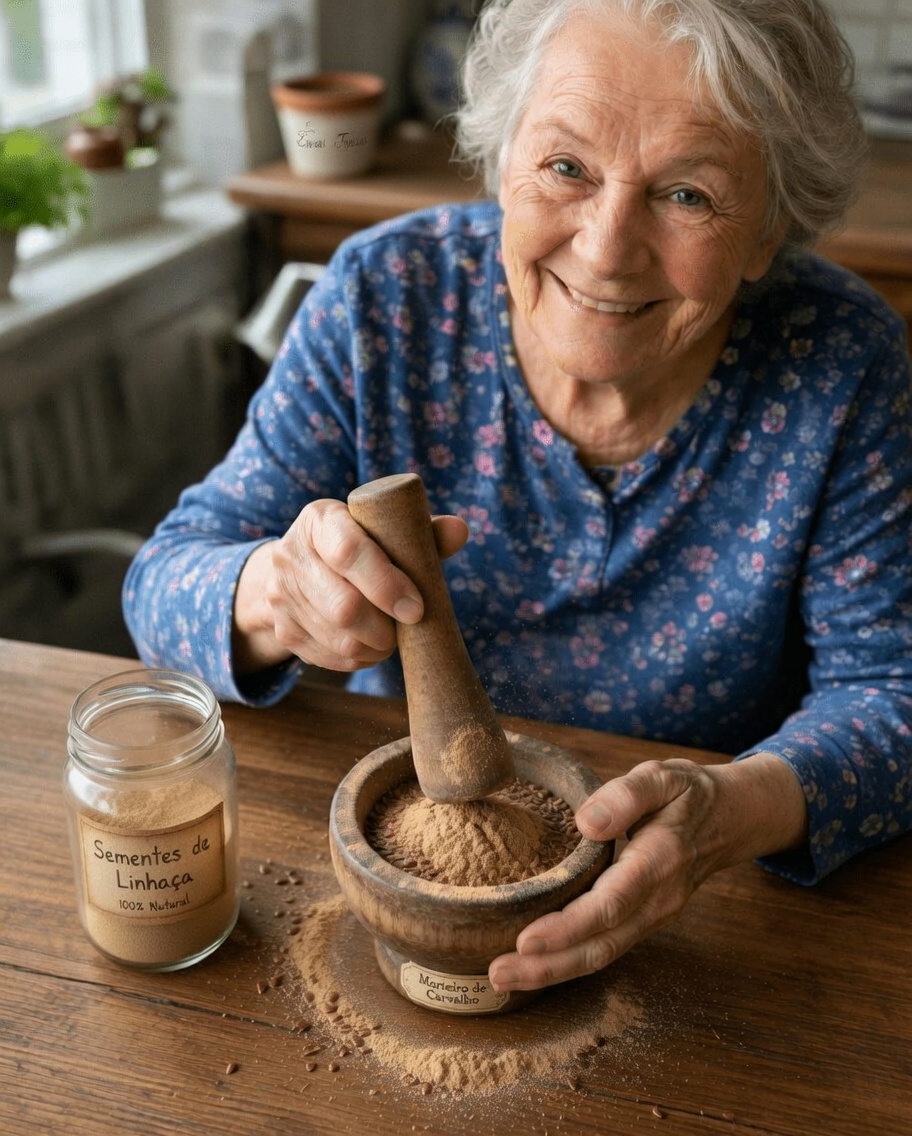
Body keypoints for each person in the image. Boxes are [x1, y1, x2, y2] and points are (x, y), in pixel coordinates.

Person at [124, 0, 912, 995]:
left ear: (767, 228)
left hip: (703, 924)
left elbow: (893, 694)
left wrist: (738, 807)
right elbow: (161, 583)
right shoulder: (386, 299)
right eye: (567, 167)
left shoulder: (839, 361)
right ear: (502, 159)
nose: (608, 246)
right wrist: (270, 593)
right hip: (411, 879)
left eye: (687, 193)